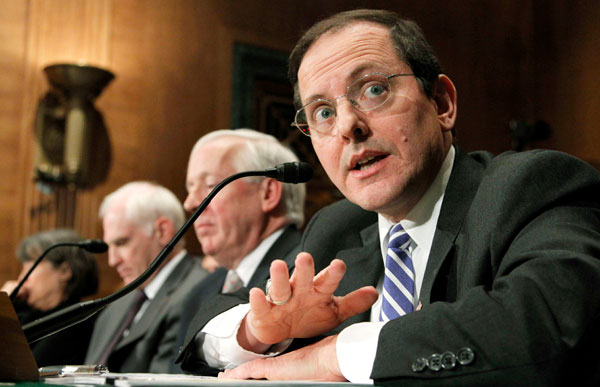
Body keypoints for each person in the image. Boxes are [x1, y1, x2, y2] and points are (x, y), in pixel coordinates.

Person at [178, 9, 600, 385]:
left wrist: (338, 354)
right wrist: (257, 331)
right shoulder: (338, 227)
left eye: (373, 89)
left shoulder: (530, 186)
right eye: (322, 112)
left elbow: (550, 322)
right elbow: (206, 327)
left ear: (441, 103)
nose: (347, 126)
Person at [173, 129, 306, 372]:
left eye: (210, 185)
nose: (190, 203)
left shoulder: (306, 275)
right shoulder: (198, 295)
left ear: (268, 193)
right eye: (190, 188)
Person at [84, 181, 209, 373]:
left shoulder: (198, 292)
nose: (112, 261)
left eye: (122, 243)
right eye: (110, 247)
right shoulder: (117, 304)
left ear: (162, 232)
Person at [1, 228, 99, 366]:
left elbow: (20, 369)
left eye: (30, 267)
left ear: (65, 271)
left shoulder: (76, 323)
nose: (21, 277)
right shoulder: (23, 314)